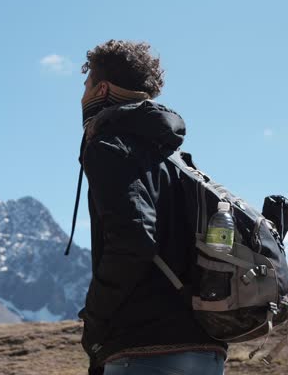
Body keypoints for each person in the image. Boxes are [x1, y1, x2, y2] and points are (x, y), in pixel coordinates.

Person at [72, 40, 226, 374]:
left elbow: (134, 240)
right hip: (205, 350)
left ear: (103, 89)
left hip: (143, 349)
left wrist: (95, 318)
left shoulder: (109, 147)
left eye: (86, 86)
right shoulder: (178, 160)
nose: (82, 96)